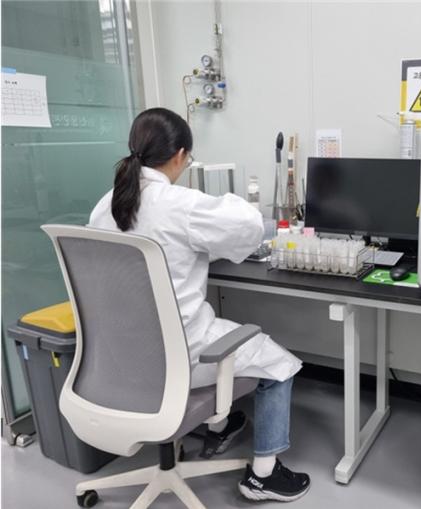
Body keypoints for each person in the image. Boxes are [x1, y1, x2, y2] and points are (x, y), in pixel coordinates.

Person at [88, 107, 310, 502]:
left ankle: (219, 426)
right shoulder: (181, 203)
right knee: (280, 364)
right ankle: (264, 474)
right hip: (180, 358)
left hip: (119, 359)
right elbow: (248, 227)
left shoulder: (104, 206)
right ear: (180, 155)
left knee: (211, 328)